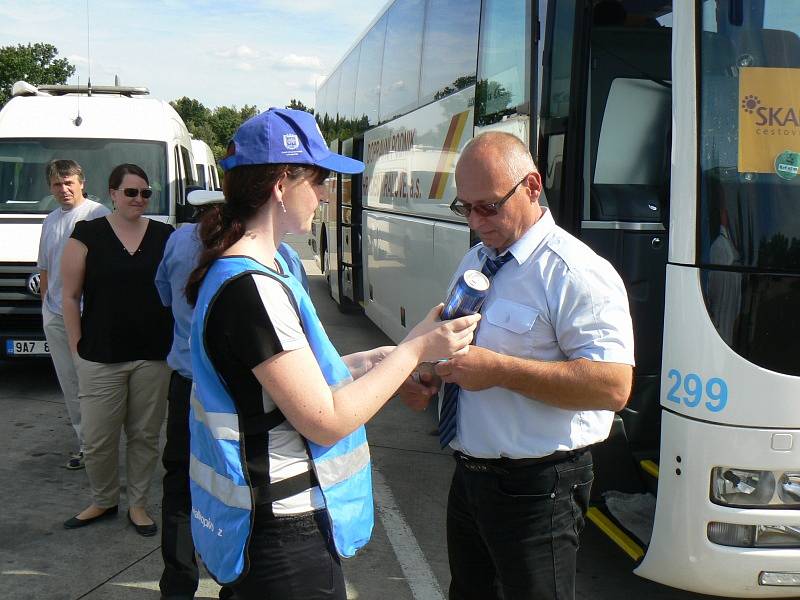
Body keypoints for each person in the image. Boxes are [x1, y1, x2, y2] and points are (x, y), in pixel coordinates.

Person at [183, 108, 480, 599]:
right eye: (318, 181)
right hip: (281, 531)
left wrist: (393, 354)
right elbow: (324, 419)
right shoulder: (252, 288)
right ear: (282, 184)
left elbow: (302, 378)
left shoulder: (263, 265)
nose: (324, 195)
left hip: (268, 525)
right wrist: (414, 353)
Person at [401, 132, 635, 600]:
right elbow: (459, 345)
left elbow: (613, 387)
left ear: (531, 186)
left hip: (537, 488)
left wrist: (501, 371)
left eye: (486, 206)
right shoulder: (477, 260)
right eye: (463, 208)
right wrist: (429, 374)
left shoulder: (575, 272)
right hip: (471, 475)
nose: (474, 220)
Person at [155, 188, 311, 600]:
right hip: (248, 398)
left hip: (189, 387)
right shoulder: (276, 259)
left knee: (181, 491)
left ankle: (177, 587)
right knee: (243, 497)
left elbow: (164, 296)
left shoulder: (180, 241)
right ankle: (234, 582)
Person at [61, 163, 174, 537]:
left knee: (144, 437)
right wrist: (77, 348)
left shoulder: (163, 235)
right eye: (131, 192)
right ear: (112, 193)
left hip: (152, 355)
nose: (138, 199)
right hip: (100, 355)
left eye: (145, 193)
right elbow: (70, 296)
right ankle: (104, 499)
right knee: (97, 439)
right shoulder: (87, 233)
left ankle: (138, 505)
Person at [37, 159, 110, 470]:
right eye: (57, 184)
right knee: (70, 385)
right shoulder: (50, 220)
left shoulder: (98, 215)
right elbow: (44, 268)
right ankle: (86, 447)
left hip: (89, 317)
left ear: (81, 182)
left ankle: (101, 446)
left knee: (93, 385)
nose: (63, 189)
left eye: (69, 182)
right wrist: (45, 308)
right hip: (55, 315)